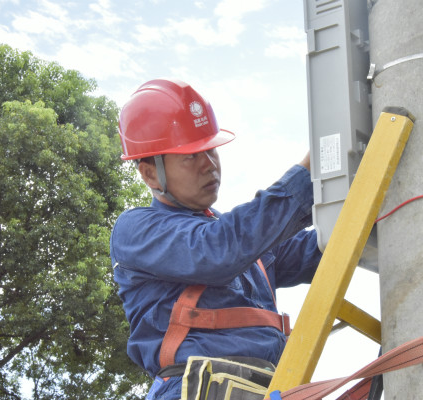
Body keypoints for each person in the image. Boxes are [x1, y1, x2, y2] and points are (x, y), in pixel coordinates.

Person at [110, 78, 322, 400]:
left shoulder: (242, 238)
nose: (209, 165)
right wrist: (309, 170)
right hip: (196, 390)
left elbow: (318, 250)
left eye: (210, 150)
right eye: (191, 156)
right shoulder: (136, 230)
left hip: (271, 388)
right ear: (150, 173)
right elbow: (218, 251)